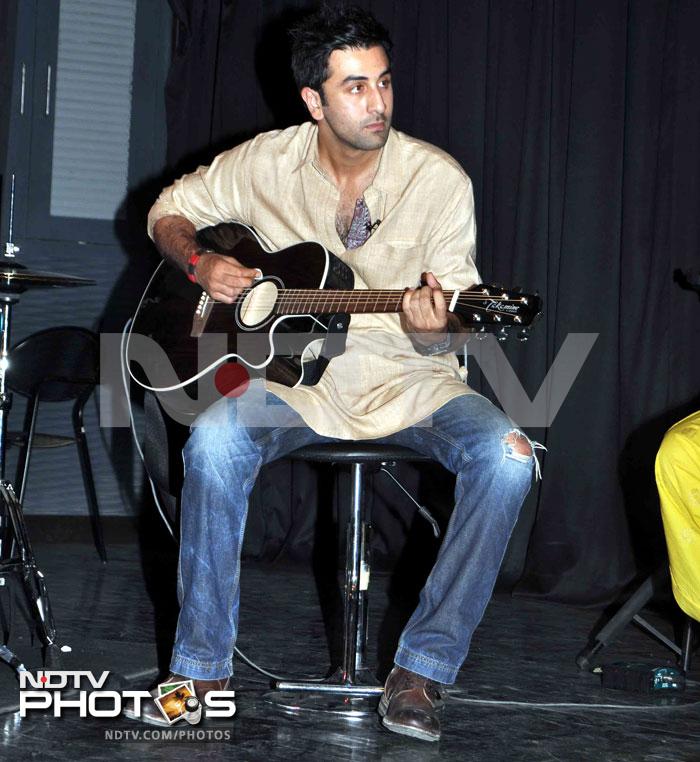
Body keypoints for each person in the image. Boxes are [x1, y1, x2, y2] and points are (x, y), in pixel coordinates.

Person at [126, 5, 536, 742]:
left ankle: (422, 669)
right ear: (313, 100)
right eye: (354, 88)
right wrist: (201, 261)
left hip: (411, 378)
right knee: (214, 442)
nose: (377, 103)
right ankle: (199, 671)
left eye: (383, 83)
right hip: (292, 383)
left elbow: (450, 325)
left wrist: (434, 325)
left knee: (508, 460)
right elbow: (168, 210)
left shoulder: (438, 180)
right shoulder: (264, 163)